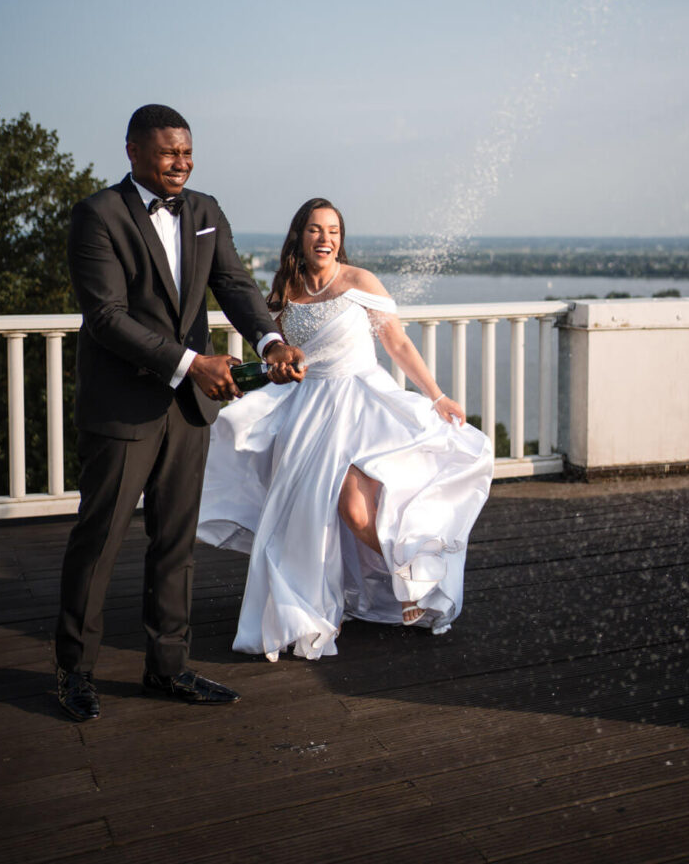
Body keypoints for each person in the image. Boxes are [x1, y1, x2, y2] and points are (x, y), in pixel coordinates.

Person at [55, 104, 304, 721]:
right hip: (124, 406)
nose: (181, 164)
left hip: (188, 411)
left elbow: (237, 286)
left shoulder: (205, 210)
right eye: (169, 153)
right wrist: (194, 363)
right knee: (100, 541)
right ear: (134, 151)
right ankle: (73, 673)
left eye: (187, 153)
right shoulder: (97, 216)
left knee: (175, 543)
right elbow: (107, 317)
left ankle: (168, 669)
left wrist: (271, 342)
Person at [197, 197, 493, 661]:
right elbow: (281, 356)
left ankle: (413, 578)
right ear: (299, 236)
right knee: (305, 518)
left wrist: (435, 395)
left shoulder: (359, 283)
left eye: (334, 230)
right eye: (315, 229)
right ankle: (312, 610)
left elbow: (396, 342)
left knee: (356, 512)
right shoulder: (284, 293)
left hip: (358, 407)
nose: (326, 238)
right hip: (304, 411)